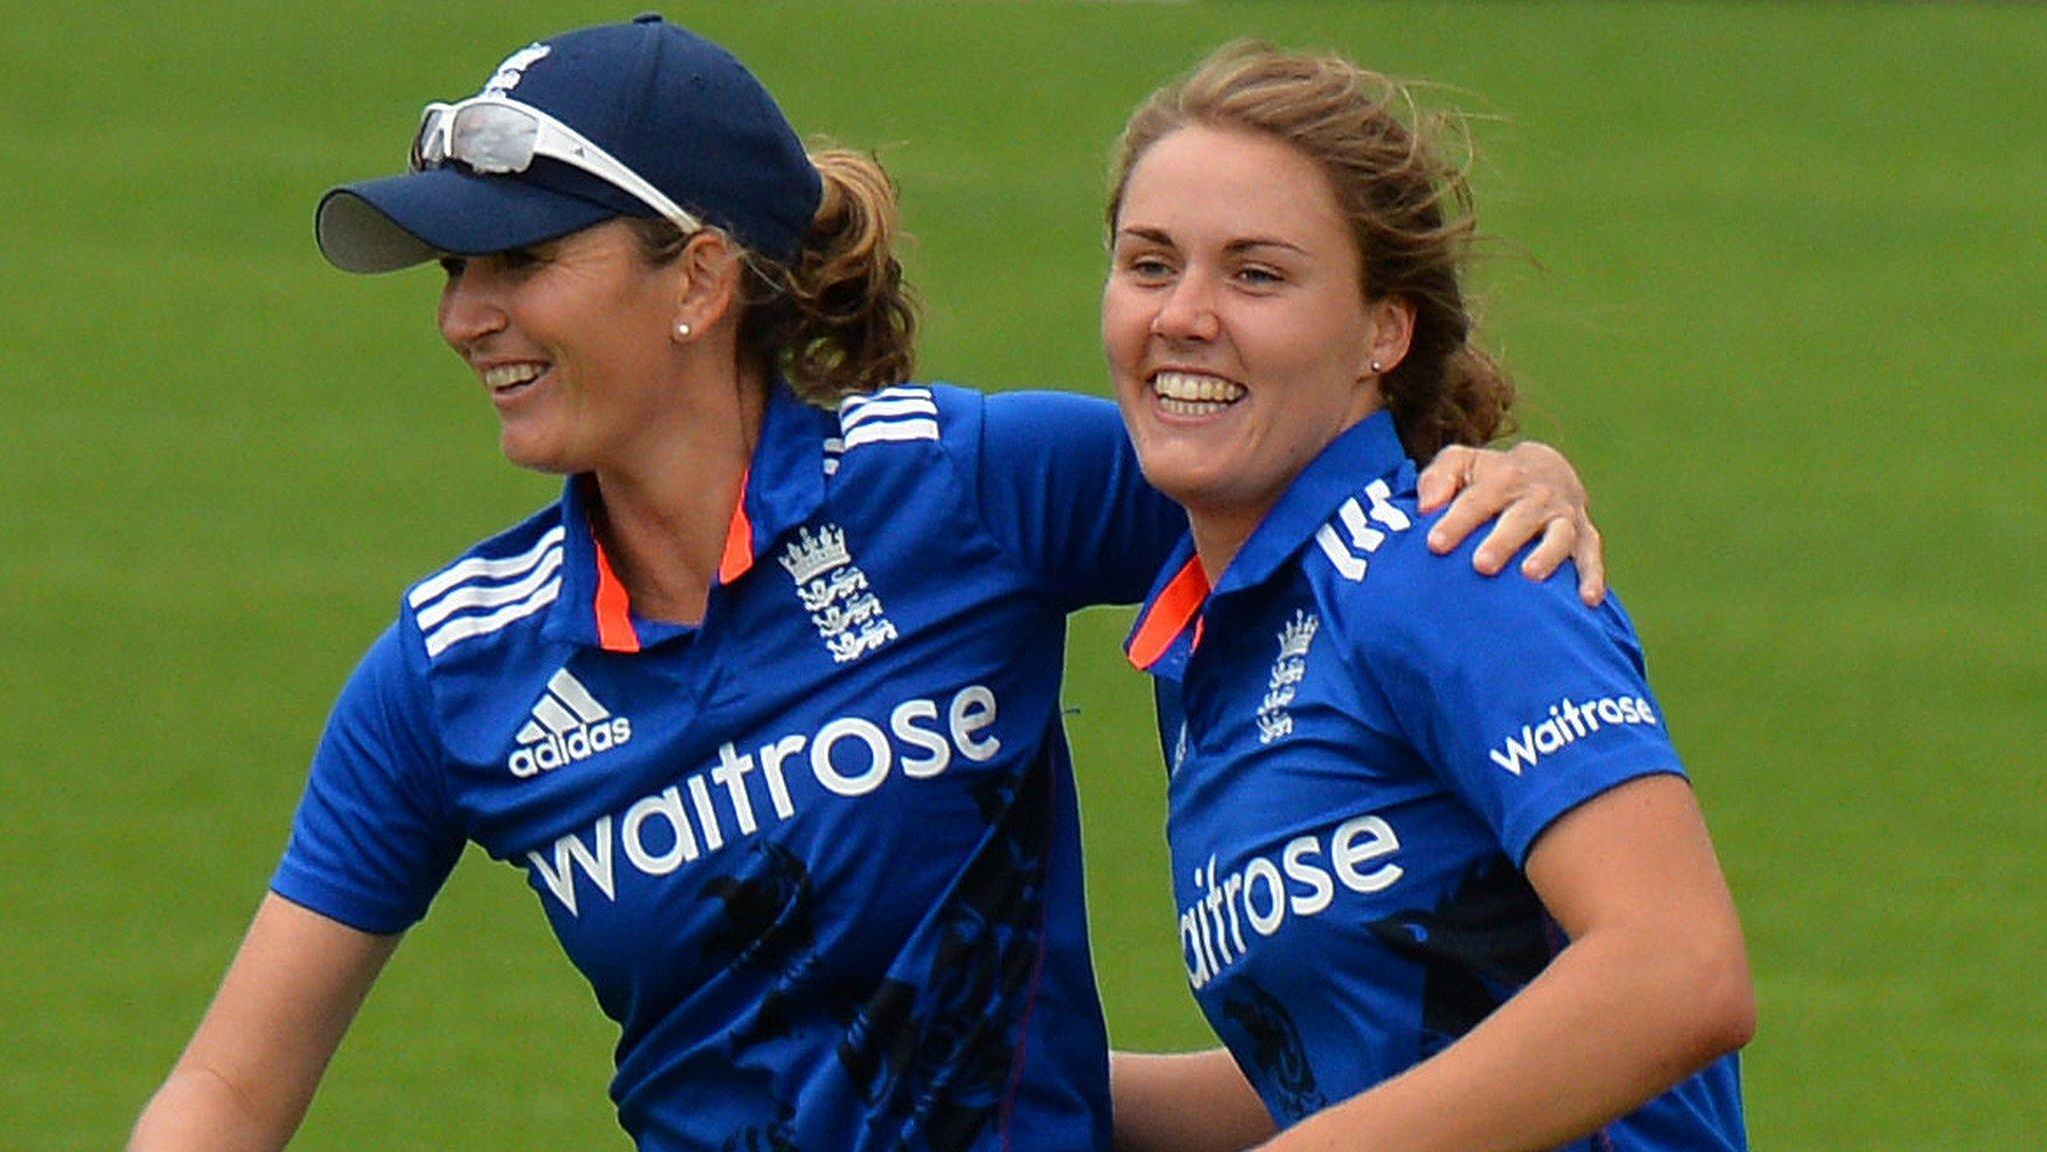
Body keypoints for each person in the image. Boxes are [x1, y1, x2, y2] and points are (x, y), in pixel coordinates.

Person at [126, 18, 1604, 1152]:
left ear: (699, 280)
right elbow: (228, 1083)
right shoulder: (449, 670)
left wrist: (1512, 473)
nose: (464, 318)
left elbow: (1305, 492)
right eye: (450, 275)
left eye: (515, 260)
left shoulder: (973, 484)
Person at [1102, 43, 1754, 1152]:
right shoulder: (1230, 639)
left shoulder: (1449, 567)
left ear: (1381, 332)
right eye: (1150, 264)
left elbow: (1675, 971)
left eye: (1255, 274)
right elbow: (1374, 1061)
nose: (1183, 315)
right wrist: (997, 1078)